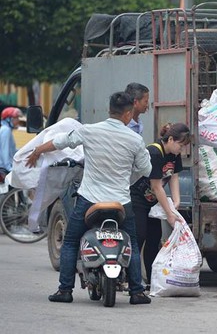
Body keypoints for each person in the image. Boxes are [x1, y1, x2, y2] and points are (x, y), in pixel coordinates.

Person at [26, 92, 152, 305]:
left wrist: (37, 150)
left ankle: (65, 290)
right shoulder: (135, 139)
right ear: (129, 113)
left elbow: (60, 142)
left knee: (71, 241)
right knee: (131, 240)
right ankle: (137, 291)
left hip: (89, 200)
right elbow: (146, 170)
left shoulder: (89, 131)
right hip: (121, 201)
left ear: (109, 110)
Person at [130, 122, 190, 290]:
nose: (182, 149)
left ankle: (151, 281)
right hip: (138, 199)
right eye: (180, 145)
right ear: (170, 139)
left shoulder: (173, 154)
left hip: (153, 202)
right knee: (139, 236)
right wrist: (169, 215)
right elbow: (156, 186)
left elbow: (174, 177)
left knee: (154, 239)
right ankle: (129, 279)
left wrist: (176, 203)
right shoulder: (154, 152)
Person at [0, 107, 22, 176]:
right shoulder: (6, 130)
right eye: (16, 118)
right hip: (4, 169)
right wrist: (10, 169)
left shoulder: (7, 129)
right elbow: (4, 152)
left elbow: (11, 150)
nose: (18, 120)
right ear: (9, 119)